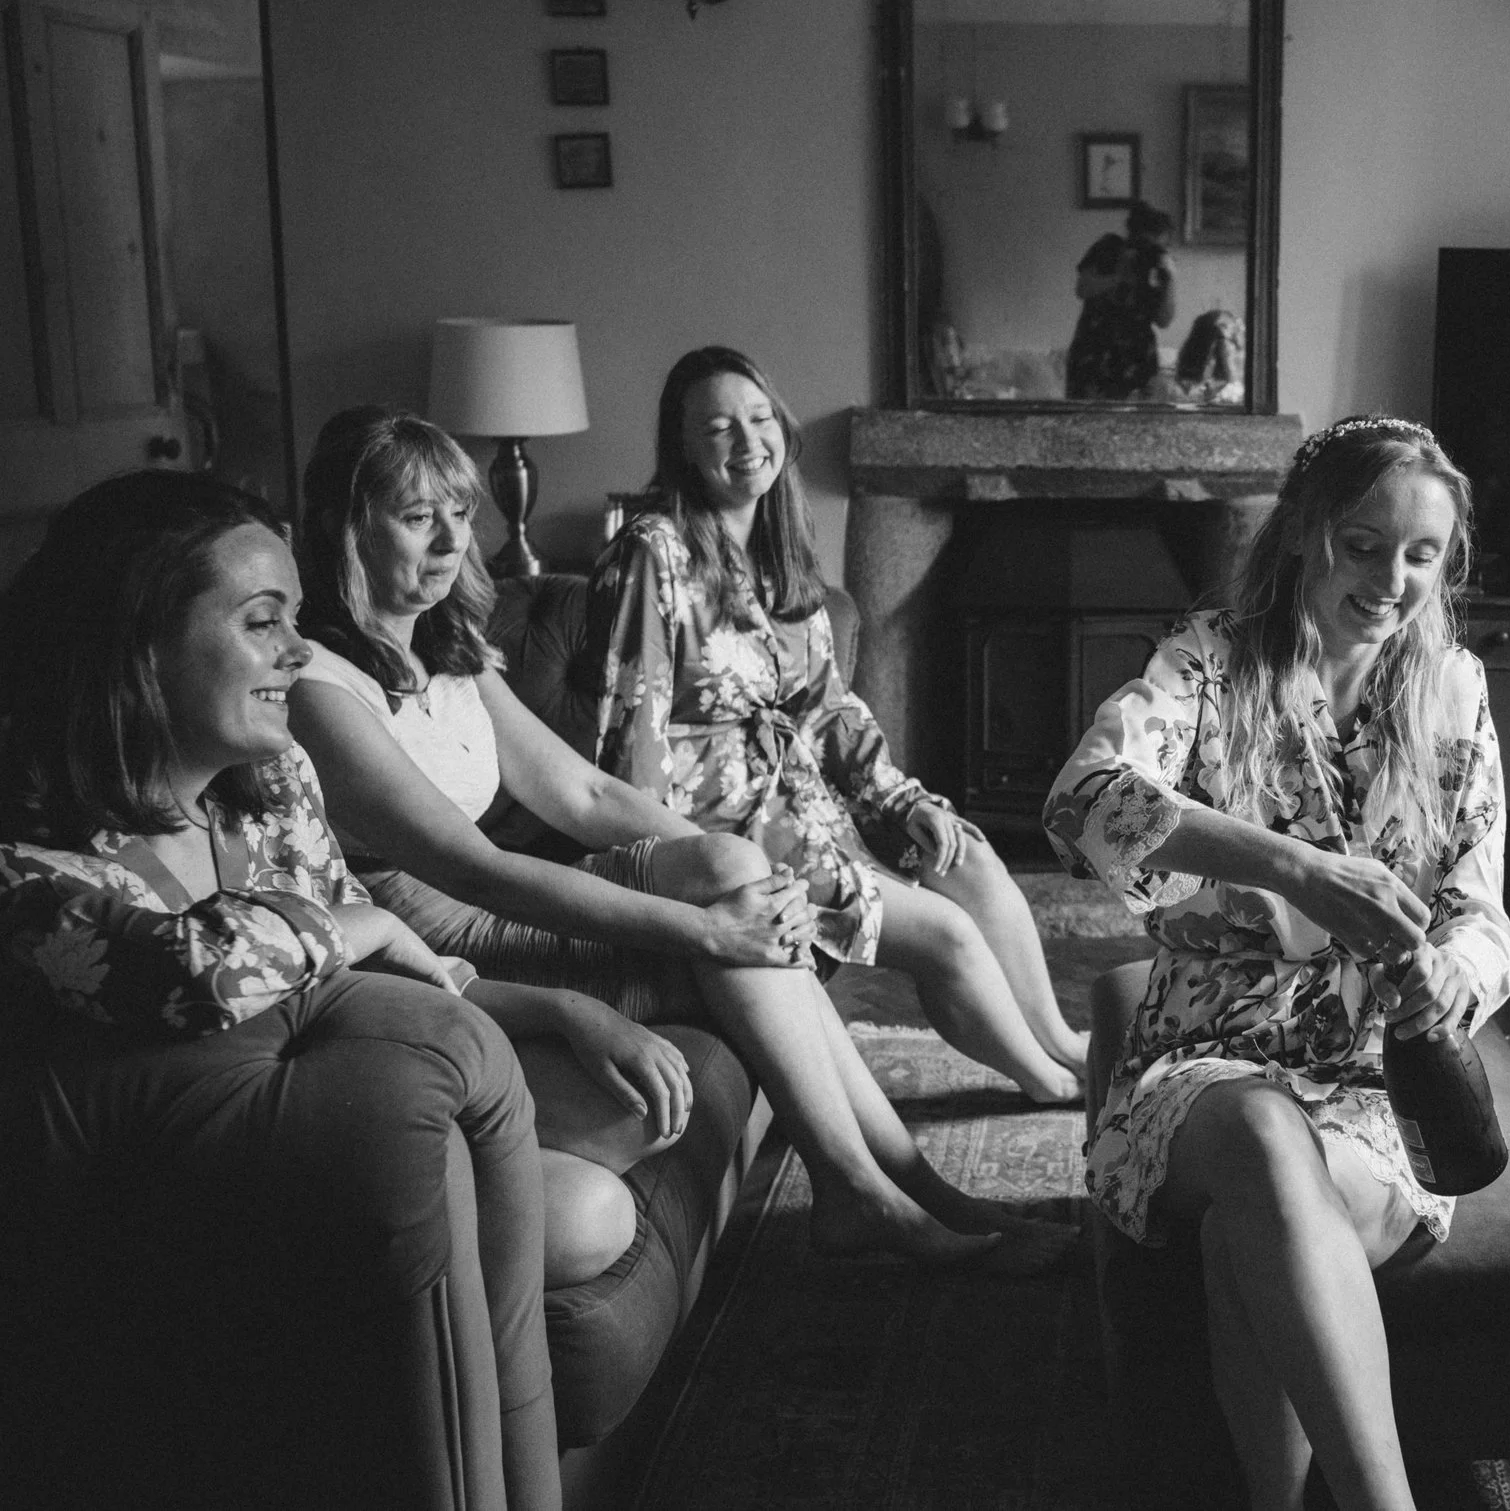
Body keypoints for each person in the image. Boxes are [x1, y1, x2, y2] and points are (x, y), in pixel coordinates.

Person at [291, 409, 1056, 1269]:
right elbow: (480, 870)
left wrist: (749, 878)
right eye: (416, 516)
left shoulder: (448, 650)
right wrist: (706, 927)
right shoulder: (319, 689)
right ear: (347, 527)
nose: (449, 543)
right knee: (734, 911)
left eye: (460, 515)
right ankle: (872, 1191)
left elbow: (585, 790)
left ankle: (898, 1191)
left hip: (492, 894)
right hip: (439, 938)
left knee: (735, 869)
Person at [0, 471, 561, 1509]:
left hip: (356, 1147)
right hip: (147, 1256)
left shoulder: (275, 787)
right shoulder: (26, 861)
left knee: (558, 1183)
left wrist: (566, 1011)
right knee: (532, 1195)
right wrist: (360, 921)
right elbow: (188, 970)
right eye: (264, 624)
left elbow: (391, 968)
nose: (299, 655)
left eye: (296, 620)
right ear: (139, 641)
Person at [1047, 415, 1510, 1511]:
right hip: (1200, 1062)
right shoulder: (1208, 659)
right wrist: (1299, 869)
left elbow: (1485, 916)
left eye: (1420, 554)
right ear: (1306, 531)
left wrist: (1450, 973)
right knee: (1259, 1131)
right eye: (1362, 543)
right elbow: (1080, 800)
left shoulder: (1455, 691)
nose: (1389, 579)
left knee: (1249, 1233)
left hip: (1371, 1092)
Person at [584, 347, 1088, 1106]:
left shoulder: (780, 553)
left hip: (816, 806)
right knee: (946, 933)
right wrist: (668, 878)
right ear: (683, 448)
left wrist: (903, 801)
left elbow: (828, 709)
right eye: (719, 427)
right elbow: (631, 729)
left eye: (759, 419)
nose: (747, 441)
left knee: (970, 859)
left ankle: (1063, 1043)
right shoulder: (651, 554)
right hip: (727, 831)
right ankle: (1050, 1085)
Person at [1066, 201, 1177, 400]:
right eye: (1146, 243)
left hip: (1138, 359)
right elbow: (1082, 288)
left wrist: (1171, 278)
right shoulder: (1109, 247)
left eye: (1160, 247)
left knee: (1135, 427)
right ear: (1133, 235)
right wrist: (1118, 276)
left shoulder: (1157, 266)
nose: (1149, 251)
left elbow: (1164, 320)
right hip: (1094, 354)